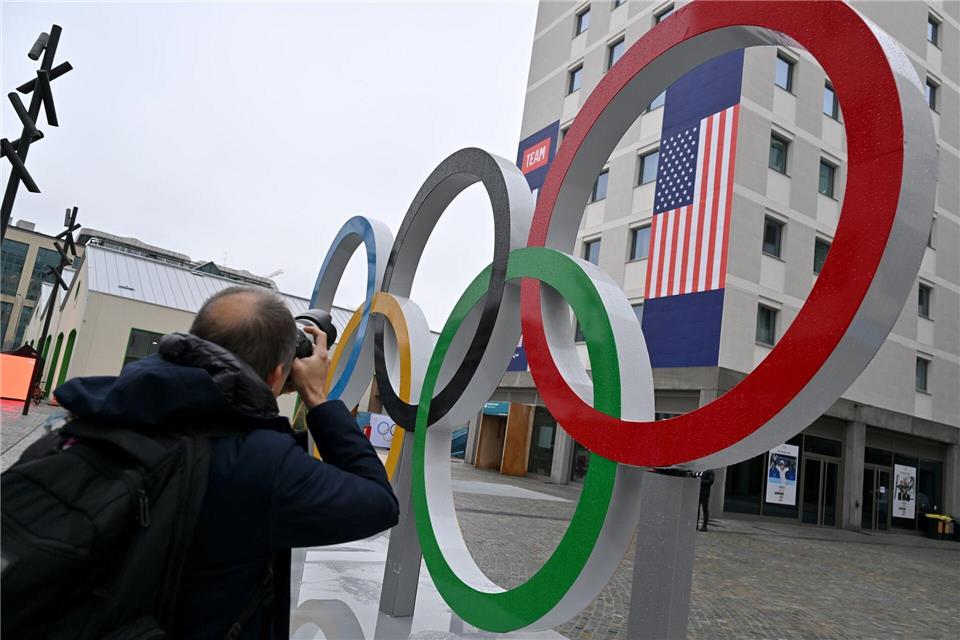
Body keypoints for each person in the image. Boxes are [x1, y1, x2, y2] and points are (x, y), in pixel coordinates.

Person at [53, 286, 399, 639]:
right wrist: (319, 400)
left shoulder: (94, 411)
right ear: (279, 374)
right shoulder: (262, 464)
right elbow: (379, 504)